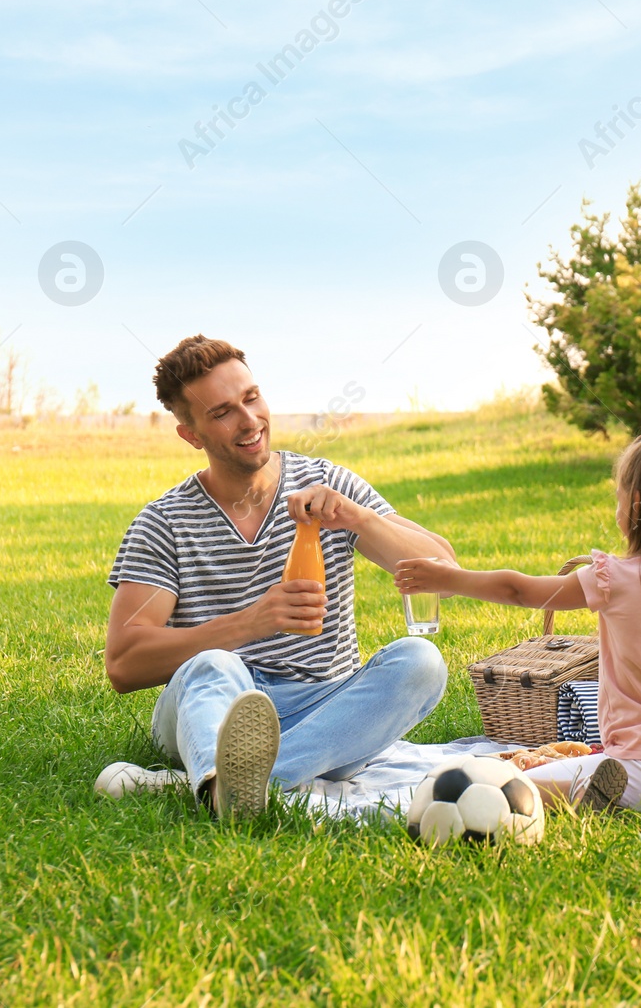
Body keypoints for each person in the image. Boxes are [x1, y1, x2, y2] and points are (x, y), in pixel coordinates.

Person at [97, 335, 453, 819]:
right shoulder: (165, 522)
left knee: (421, 662)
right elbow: (124, 663)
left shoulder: (327, 486)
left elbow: (442, 568)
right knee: (213, 663)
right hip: (212, 708)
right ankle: (244, 773)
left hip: (326, 710)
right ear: (192, 435)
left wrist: (361, 519)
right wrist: (252, 621)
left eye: (251, 398)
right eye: (222, 412)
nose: (249, 421)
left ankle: (218, 785)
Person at [395, 399, 641, 811]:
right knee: (584, 772)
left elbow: (520, 591)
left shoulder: (615, 577)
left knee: (505, 783)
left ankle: (596, 792)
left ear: (636, 503)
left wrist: (449, 578)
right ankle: (598, 793)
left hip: (639, 773)